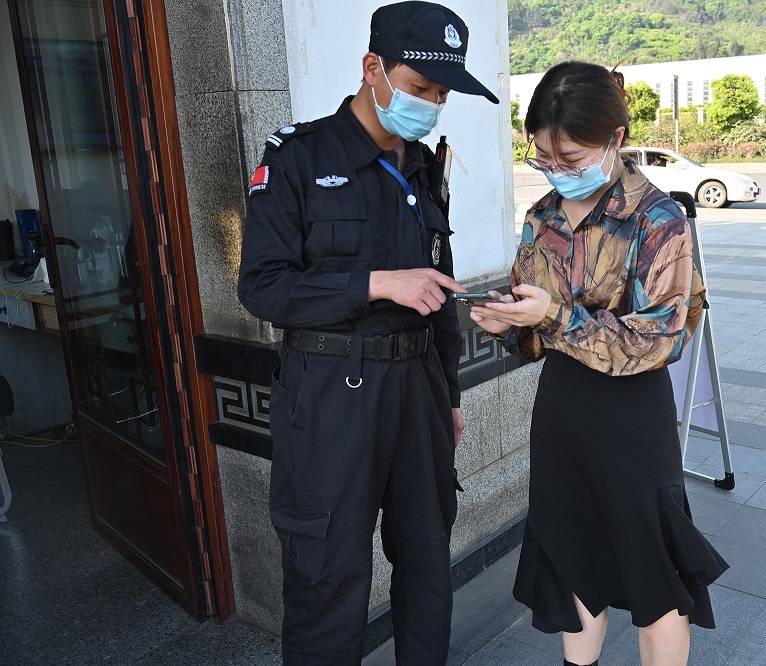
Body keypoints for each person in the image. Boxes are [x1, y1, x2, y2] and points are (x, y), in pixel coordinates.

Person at [237, 3, 499, 664]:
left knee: (427, 560)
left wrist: (450, 395)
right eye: (418, 87)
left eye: (440, 95)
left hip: (419, 389)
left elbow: (437, 289)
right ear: (372, 68)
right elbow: (262, 287)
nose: (429, 105)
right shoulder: (298, 158)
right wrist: (376, 284)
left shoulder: (424, 168)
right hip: (331, 392)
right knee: (327, 574)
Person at [470, 61, 728, 666]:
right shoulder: (542, 217)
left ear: (615, 138)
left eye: (572, 157)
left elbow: (659, 338)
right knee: (574, 559)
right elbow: (535, 328)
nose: (558, 171)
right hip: (562, 410)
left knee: (654, 576)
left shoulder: (658, 219)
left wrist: (553, 318)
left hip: (632, 416)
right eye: (544, 158)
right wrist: (511, 322)